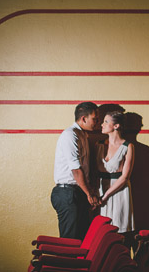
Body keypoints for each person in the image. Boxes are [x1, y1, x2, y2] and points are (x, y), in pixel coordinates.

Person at [51, 101, 100, 239]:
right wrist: (89, 194)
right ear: (84, 118)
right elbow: (76, 170)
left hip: (77, 192)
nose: (97, 122)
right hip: (67, 193)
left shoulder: (83, 135)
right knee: (69, 240)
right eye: (95, 119)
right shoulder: (70, 135)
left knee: (81, 239)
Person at [97, 111, 135, 238]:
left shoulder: (128, 146)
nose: (102, 124)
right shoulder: (99, 145)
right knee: (102, 232)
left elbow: (125, 177)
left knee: (120, 230)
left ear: (116, 126)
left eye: (106, 122)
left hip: (119, 191)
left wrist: (107, 194)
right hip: (100, 190)